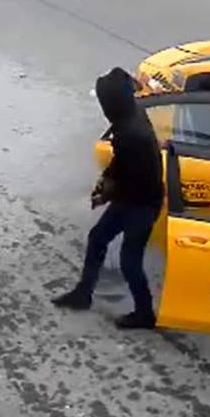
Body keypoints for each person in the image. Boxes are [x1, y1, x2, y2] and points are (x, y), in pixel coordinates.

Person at [52, 67, 165, 329]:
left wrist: (106, 195)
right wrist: (106, 181)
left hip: (142, 204)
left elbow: (133, 180)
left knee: (130, 260)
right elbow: (122, 164)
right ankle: (83, 294)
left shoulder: (131, 133)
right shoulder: (131, 116)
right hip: (133, 198)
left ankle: (145, 314)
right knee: (98, 238)